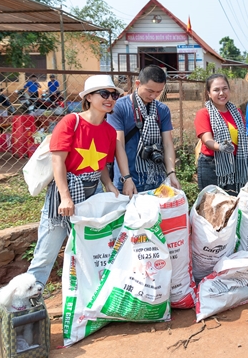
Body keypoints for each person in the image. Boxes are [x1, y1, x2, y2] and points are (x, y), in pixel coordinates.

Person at [26, 75, 121, 286]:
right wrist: (65, 198)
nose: (110, 98)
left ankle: (87, 298)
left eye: (114, 94)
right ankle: (26, 302)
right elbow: (57, 161)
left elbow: (102, 165)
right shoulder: (71, 122)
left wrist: (109, 184)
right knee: (45, 254)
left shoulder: (109, 131)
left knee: (91, 251)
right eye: (104, 94)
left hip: (92, 193)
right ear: (88, 97)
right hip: (65, 193)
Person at [108, 65, 181, 195]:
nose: (153, 96)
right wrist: (126, 178)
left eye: (159, 92)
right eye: (150, 91)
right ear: (138, 83)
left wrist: (171, 173)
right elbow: (118, 145)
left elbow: (168, 143)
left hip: (156, 178)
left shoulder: (162, 110)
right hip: (128, 177)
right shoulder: (119, 107)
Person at [194, 74, 248, 195]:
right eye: (216, 90)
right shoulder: (204, 113)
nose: (221, 93)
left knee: (234, 204)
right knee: (212, 205)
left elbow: (244, 141)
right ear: (209, 93)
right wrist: (220, 147)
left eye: (224, 88)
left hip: (236, 165)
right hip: (211, 166)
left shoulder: (237, 112)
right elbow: (207, 139)